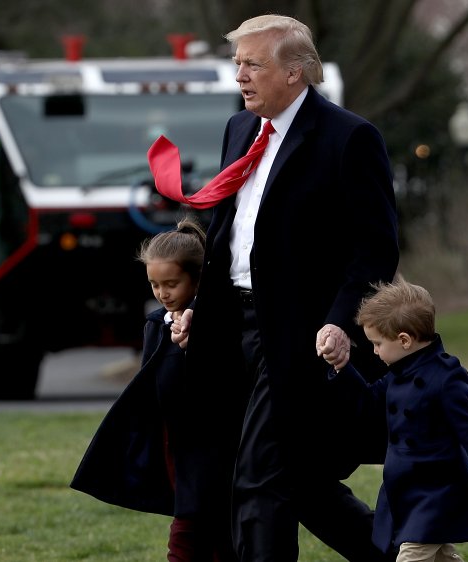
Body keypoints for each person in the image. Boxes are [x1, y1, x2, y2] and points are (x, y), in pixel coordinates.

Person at [168, 13, 400, 562]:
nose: (240, 76)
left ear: (295, 72)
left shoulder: (350, 138)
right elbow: (227, 238)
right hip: (233, 333)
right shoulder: (239, 130)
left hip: (299, 339)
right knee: (298, 483)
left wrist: (341, 323)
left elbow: (376, 250)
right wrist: (200, 308)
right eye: (237, 63)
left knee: (259, 481)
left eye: (253, 64)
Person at [70, 217, 239, 562]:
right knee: (197, 526)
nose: (162, 293)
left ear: (197, 278)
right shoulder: (156, 325)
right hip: (175, 448)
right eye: (154, 285)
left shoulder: (218, 324)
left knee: (198, 533)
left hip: (214, 449)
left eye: (172, 283)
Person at [319, 278, 468, 561]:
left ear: (404, 340)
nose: (374, 351)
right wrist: (343, 367)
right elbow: (367, 403)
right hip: (403, 491)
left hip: (437, 493)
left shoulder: (447, 377)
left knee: (411, 555)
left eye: (377, 343)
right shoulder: (396, 375)